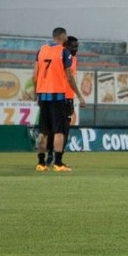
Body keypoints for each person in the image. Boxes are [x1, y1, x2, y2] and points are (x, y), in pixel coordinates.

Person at [34, 27, 86, 172]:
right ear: (64, 37)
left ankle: (41, 162)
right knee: (59, 131)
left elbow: (35, 75)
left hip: (43, 95)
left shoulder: (41, 50)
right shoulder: (64, 53)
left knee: (43, 130)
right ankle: (58, 162)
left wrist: (36, 93)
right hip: (58, 96)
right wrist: (80, 96)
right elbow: (69, 77)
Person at [46, 36, 79, 168]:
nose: (76, 49)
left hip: (67, 98)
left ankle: (55, 156)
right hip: (60, 97)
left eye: (77, 47)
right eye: (73, 47)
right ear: (66, 46)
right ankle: (53, 157)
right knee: (58, 130)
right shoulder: (61, 58)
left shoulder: (73, 59)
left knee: (62, 129)